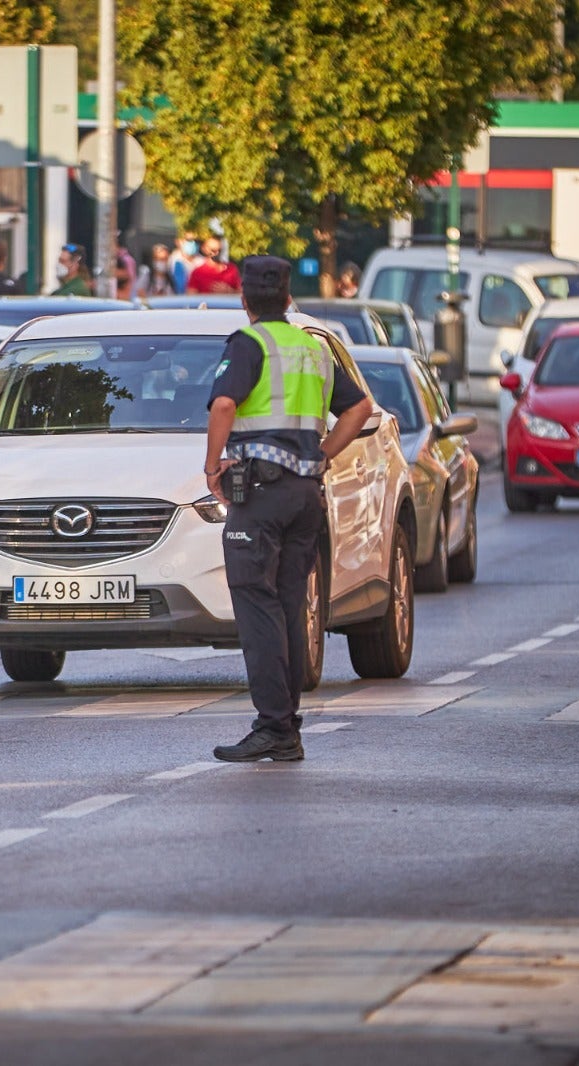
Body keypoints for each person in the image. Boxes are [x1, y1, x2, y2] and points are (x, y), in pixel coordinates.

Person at [202, 256, 373, 763]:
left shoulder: (248, 343)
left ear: (245, 301)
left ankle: (274, 725)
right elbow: (360, 407)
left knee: (256, 605)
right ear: (288, 298)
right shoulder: (312, 346)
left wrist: (212, 466)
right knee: (289, 606)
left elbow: (224, 405)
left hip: (260, 496)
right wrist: (323, 452)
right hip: (305, 493)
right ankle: (287, 726)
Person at [168, 229, 204, 294]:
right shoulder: (172, 259)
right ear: (178, 241)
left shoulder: (202, 261)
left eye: (195, 240)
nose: (193, 243)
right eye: (189, 240)